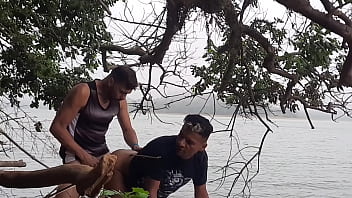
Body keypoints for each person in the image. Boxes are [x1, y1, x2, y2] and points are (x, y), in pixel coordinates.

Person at [49, 65, 141, 197]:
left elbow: (127, 129)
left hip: (101, 154)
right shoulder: (83, 92)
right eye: (122, 92)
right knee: (65, 195)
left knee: (120, 190)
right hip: (76, 155)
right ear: (111, 81)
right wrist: (85, 156)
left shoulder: (120, 102)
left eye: (126, 94)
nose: (123, 97)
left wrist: (135, 146)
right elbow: (57, 127)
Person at [105, 114, 213, 198]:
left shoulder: (200, 159)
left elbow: (201, 192)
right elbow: (151, 193)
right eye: (181, 135)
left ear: (202, 147)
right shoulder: (160, 150)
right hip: (118, 170)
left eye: (189, 142)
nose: (181, 143)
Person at [0, 154, 118, 198]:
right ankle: (87, 176)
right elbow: (57, 128)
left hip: (90, 160)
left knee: (14, 178)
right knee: (10, 178)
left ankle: (88, 176)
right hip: (76, 158)